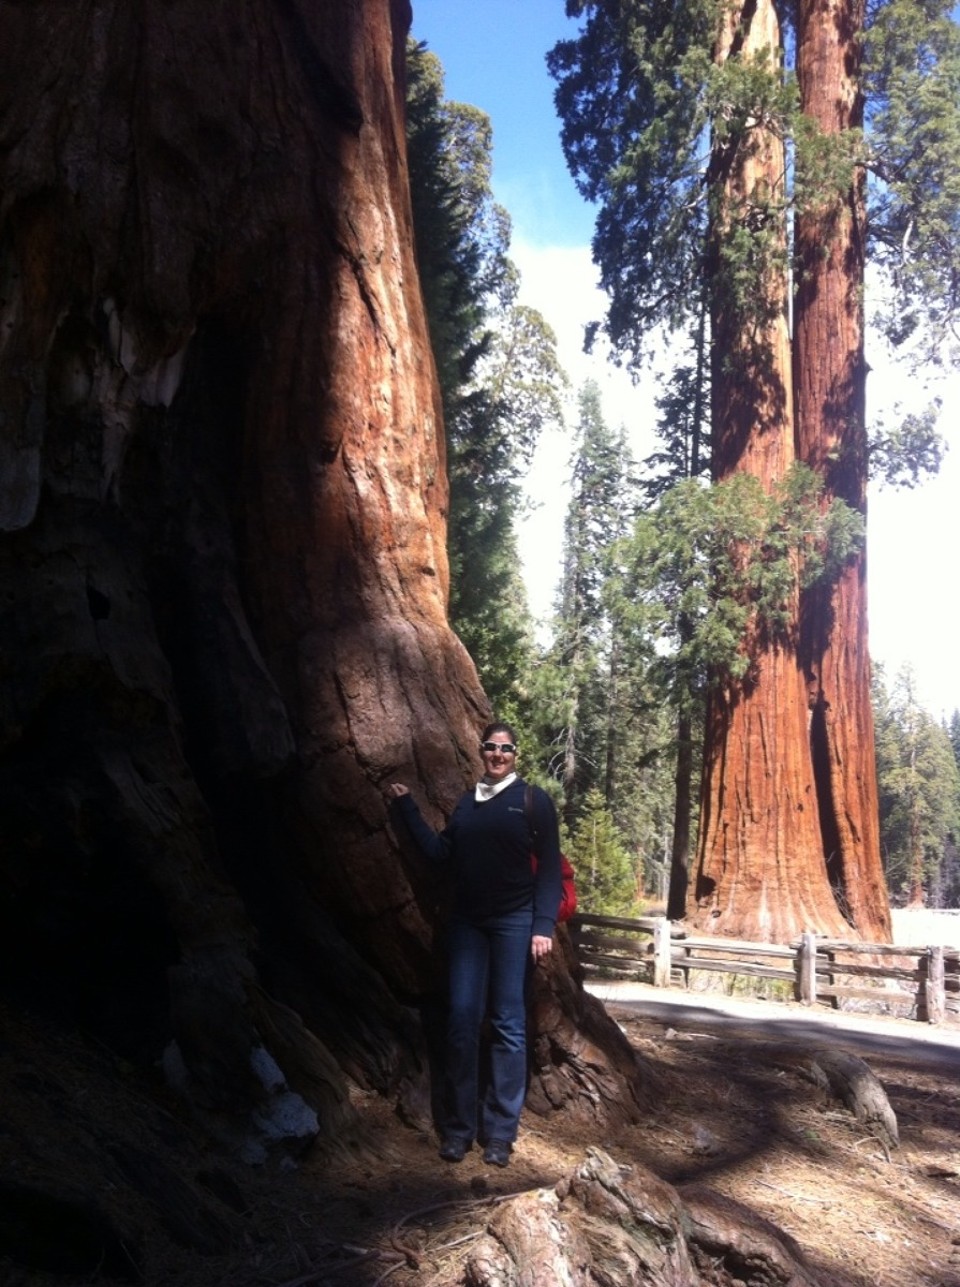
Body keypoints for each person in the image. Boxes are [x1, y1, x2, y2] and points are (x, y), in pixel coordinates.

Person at [387, 722, 562, 1168]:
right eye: (491, 747)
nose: (498, 754)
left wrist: (543, 925)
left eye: (505, 748)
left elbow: (549, 872)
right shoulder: (468, 803)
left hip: (514, 923)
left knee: (507, 1022)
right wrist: (405, 808)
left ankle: (501, 1133)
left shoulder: (532, 801)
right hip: (467, 925)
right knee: (462, 1020)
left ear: (515, 754)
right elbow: (440, 855)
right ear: (481, 752)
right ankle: (459, 1130)